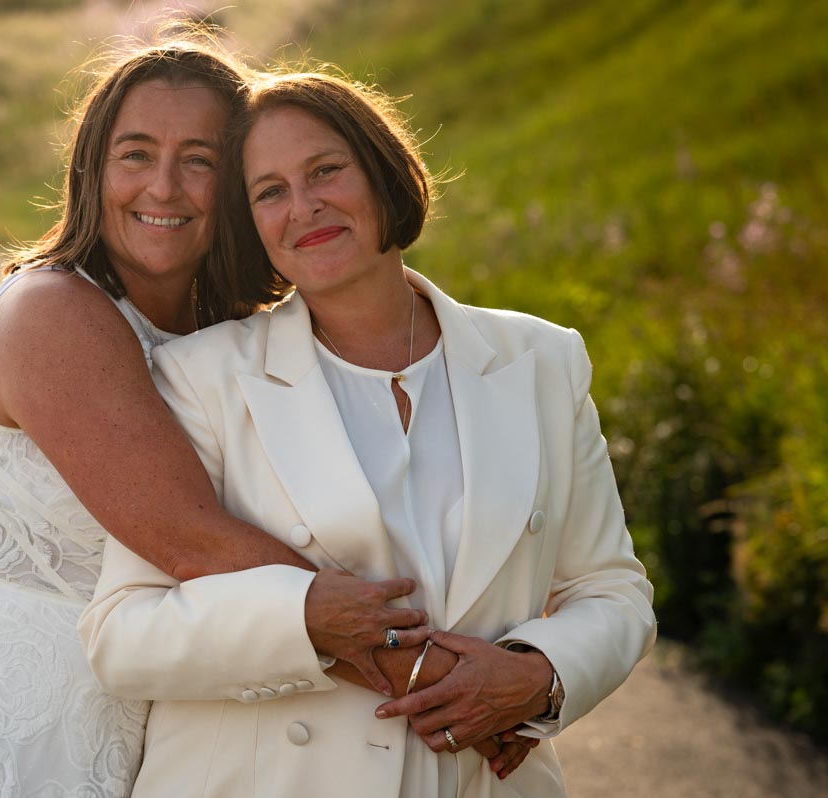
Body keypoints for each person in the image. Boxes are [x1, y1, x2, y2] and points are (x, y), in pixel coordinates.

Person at [0, 37, 441, 798]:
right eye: (136, 154)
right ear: (92, 171)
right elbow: (190, 538)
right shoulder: (54, 313)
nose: (164, 187)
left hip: (174, 718)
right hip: (18, 718)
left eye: (199, 160)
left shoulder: (227, 334)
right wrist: (425, 675)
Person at [79, 69, 657, 797]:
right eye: (270, 192)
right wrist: (304, 619)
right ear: (251, 224)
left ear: (385, 175)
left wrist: (539, 675)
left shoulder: (541, 360)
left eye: (326, 171)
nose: (304, 206)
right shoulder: (201, 377)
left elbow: (612, 587)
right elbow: (122, 635)